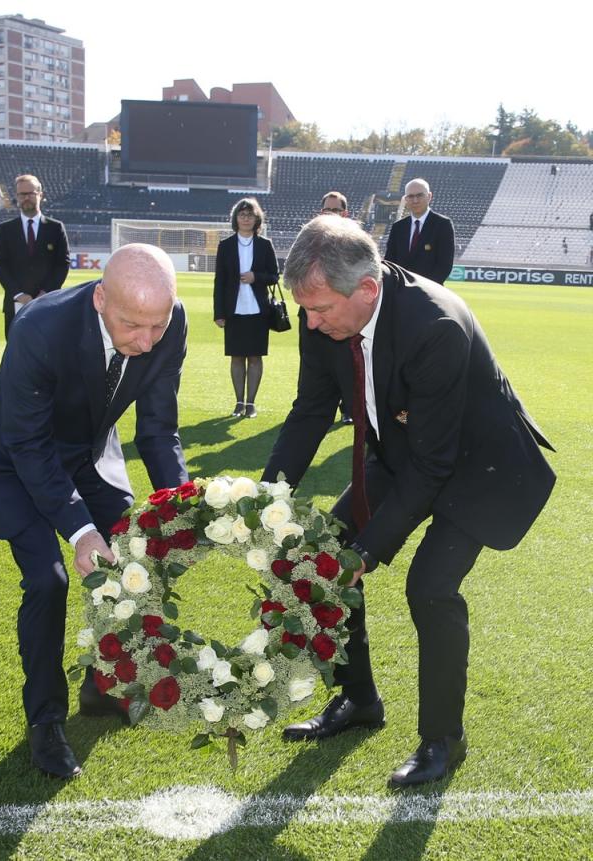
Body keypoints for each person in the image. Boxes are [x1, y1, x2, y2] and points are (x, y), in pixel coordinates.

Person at [261, 216, 555, 789]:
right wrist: (263, 499)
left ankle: (443, 739)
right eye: (307, 310)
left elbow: (435, 465)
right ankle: (358, 699)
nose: (311, 322)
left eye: (320, 310)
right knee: (320, 558)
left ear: (367, 289)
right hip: (405, 448)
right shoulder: (321, 307)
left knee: (430, 587)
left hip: (480, 466)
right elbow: (311, 411)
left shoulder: (434, 325)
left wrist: (368, 552)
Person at [0, 244, 188, 779]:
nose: (147, 341)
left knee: (135, 549)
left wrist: (181, 504)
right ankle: (45, 722)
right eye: (133, 325)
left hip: (86, 452)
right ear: (100, 298)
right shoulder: (40, 326)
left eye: (158, 325)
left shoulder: (166, 323)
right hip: (10, 460)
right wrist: (80, 528)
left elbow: (157, 429)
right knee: (48, 578)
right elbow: (30, 446)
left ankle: (103, 683)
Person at [212, 197, 280, 418]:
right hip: (234, 311)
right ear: (236, 218)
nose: (246, 218)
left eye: (250, 215)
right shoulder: (225, 246)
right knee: (237, 357)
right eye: (242, 215)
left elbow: (274, 276)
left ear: (256, 218)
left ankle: (251, 404)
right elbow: (219, 281)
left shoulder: (265, 244)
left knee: (255, 357)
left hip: (258, 311)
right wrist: (219, 313)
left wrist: (255, 277)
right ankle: (238, 402)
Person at [0, 174, 70, 337]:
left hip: (47, 303)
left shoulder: (56, 228)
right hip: (16, 304)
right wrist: (19, 294)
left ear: (40, 195)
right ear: (17, 197)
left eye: (30, 193)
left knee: (47, 351)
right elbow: (0, 265)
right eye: (22, 194)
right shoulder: (6, 229)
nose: (26, 198)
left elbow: (62, 264)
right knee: (16, 354)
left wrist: (46, 293)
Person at [319, 191, 353, 425]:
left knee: (348, 363)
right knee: (317, 365)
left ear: (345, 213)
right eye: (328, 210)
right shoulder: (310, 239)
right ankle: (317, 409)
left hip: (345, 314)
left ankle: (348, 408)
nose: (332, 214)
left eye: (336, 210)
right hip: (316, 316)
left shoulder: (356, 241)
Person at [384, 178, 455, 284]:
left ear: (429, 196)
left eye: (420, 195)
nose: (415, 200)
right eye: (411, 196)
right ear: (406, 199)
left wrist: (424, 289)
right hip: (400, 293)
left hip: (430, 293)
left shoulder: (443, 224)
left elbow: (444, 264)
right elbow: (390, 261)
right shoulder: (398, 227)